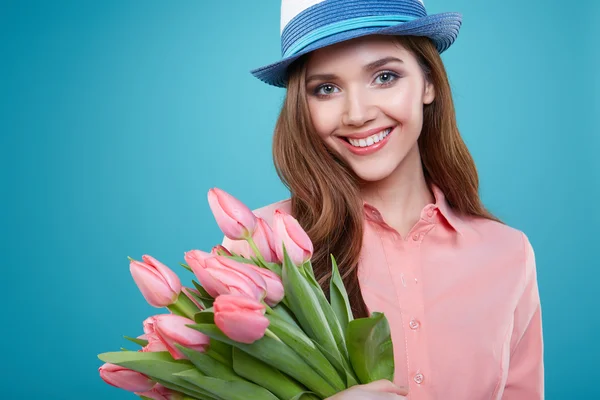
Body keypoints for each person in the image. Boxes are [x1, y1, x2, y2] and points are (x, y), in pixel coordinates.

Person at [223, 1, 544, 398]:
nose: (357, 114)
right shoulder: (259, 243)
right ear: (302, 107)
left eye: (385, 76)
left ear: (428, 83)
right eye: (326, 89)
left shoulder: (508, 254)